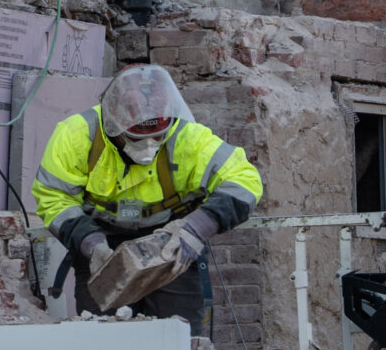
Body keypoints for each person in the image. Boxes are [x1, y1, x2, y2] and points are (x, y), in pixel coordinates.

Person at [31, 64, 262, 334]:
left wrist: (196, 229)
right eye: (138, 138)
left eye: (157, 137)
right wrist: (90, 244)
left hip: (171, 242)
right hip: (102, 242)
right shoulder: (77, 135)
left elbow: (245, 182)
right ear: (113, 124)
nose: (149, 146)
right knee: (100, 337)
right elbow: (54, 197)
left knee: (181, 338)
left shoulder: (187, 136)